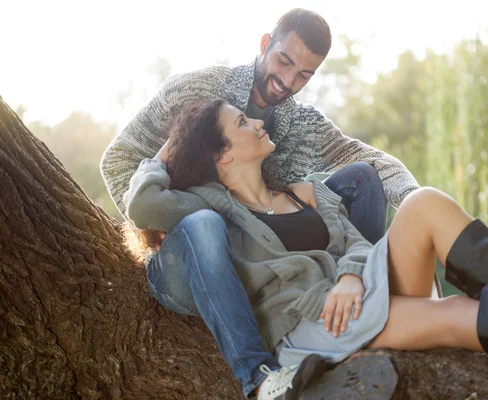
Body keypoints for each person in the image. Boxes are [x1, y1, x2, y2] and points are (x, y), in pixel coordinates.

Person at [123, 98, 488, 399]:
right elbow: (143, 202)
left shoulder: (304, 191)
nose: (257, 122)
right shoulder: (212, 209)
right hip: (314, 322)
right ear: (222, 154)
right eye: (243, 122)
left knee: (424, 203)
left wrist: (352, 275)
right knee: (456, 313)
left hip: (352, 289)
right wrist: (164, 155)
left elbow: (353, 241)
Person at [101, 8, 428, 399]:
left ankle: (354, 304)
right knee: (204, 224)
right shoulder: (195, 90)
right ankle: (259, 378)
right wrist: (157, 225)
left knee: (361, 177)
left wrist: (416, 208)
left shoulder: (302, 124)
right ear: (264, 45)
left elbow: (373, 161)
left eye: (304, 74)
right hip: (189, 251)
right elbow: (117, 161)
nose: (288, 81)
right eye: (284, 61)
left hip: (260, 253)